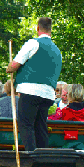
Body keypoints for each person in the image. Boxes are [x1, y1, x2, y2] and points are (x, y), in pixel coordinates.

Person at [6, 17, 62, 151]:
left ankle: (32, 155)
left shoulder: (33, 43)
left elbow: (14, 66)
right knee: (40, 126)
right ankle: (43, 155)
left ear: (38, 28)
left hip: (30, 91)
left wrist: (9, 68)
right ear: (51, 30)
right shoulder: (57, 51)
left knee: (26, 124)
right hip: (48, 94)